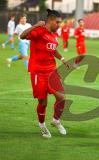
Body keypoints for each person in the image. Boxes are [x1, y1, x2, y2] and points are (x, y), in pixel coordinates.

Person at [20, 9, 69, 138]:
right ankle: (42, 125)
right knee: (43, 103)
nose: (59, 25)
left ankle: (56, 120)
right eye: (57, 22)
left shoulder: (54, 34)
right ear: (50, 21)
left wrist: (62, 59)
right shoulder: (39, 31)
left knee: (62, 97)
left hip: (51, 71)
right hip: (38, 72)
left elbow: (52, 49)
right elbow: (22, 36)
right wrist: (35, 25)